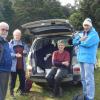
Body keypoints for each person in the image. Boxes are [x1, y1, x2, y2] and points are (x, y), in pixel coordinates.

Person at [73, 18, 100, 100]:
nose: (86, 26)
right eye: (84, 25)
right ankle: (85, 95)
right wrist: (80, 40)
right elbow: (74, 42)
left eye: (87, 25)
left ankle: (90, 97)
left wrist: (79, 41)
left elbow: (87, 43)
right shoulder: (82, 33)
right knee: (83, 78)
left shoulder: (94, 35)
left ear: (90, 25)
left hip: (88, 59)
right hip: (81, 58)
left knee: (89, 79)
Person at [9, 29, 29, 97]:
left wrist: (25, 52)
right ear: (14, 35)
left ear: (20, 36)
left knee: (22, 80)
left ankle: (22, 91)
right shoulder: (10, 44)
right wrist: (15, 55)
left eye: (19, 35)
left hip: (22, 66)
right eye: (16, 35)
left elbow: (27, 51)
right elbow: (8, 54)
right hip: (13, 67)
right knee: (13, 81)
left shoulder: (23, 44)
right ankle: (12, 93)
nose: (17, 36)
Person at [0, 22, 12, 100]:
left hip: (6, 70)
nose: (5, 31)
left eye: (7, 30)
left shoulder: (6, 42)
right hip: (1, 69)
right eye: (2, 29)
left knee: (3, 91)